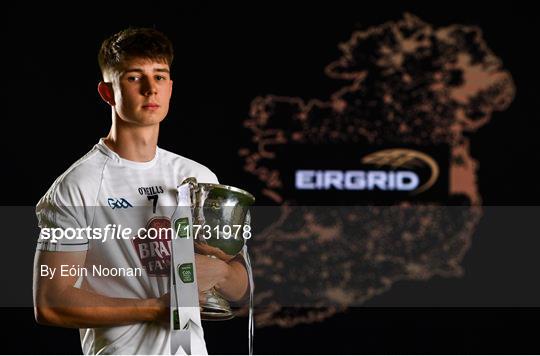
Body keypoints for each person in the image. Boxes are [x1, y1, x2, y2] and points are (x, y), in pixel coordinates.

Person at [32, 27, 249, 355]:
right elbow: (50, 302)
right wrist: (155, 308)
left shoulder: (198, 176)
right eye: (135, 78)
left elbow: (241, 295)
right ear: (108, 92)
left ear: (171, 87)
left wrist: (220, 271)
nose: (151, 89)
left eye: (160, 77)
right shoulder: (78, 185)